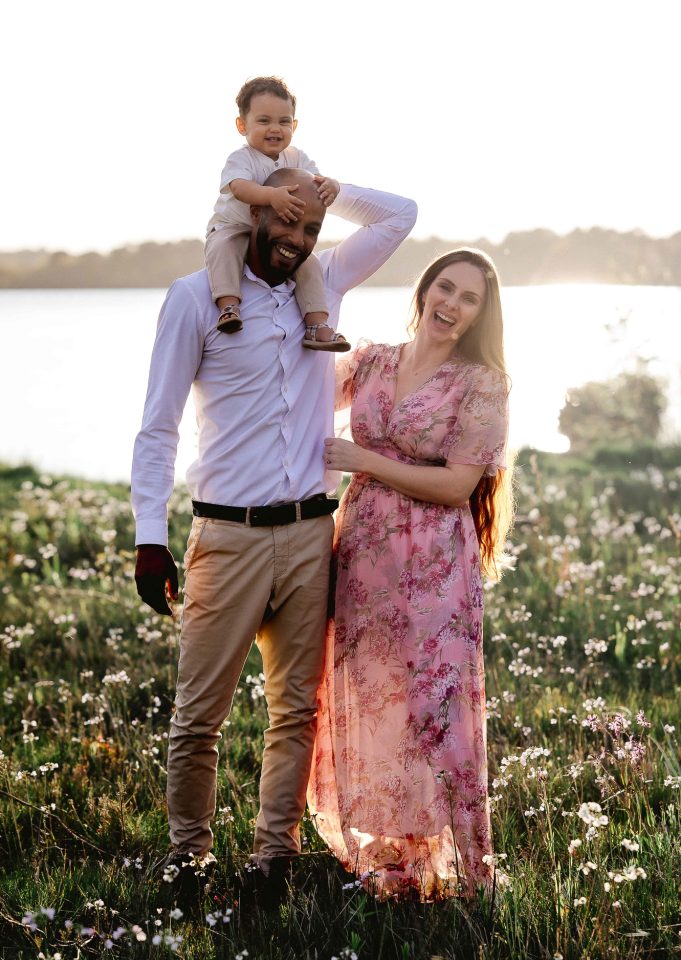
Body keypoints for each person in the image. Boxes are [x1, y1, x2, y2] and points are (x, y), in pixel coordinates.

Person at [132, 168, 417, 906]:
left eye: (308, 229)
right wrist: (147, 536)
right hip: (224, 537)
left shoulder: (324, 293)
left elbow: (398, 214)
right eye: (282, 222)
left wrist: (320, 188)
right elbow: (158, 426)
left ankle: (272, 862)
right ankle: (189, 863)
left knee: (295, 711)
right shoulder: (197, 297)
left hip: (307, 537)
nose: (294, 239)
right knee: (198, 717)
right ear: (250, 213)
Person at [308, 248, 513, 901]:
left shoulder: (480, 383)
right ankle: (396, 858)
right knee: (378, 704)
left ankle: (474, 871)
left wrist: (360, 457)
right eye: (444, 287)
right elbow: (297, 392)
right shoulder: (371, 359)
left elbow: (457, 485)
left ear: (481, 314)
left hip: (434, 570)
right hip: (363, 561)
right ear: (425, 288)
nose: (450, 304)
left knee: (437, 713)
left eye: (468, 298)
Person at [206, 75, 349, 350]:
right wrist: (271, 196)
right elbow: (239, 187)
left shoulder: (296, 157)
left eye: (284, 121)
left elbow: (315, 179)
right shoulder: (242, 158)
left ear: (294, 125)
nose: (275, 128)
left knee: (309, 264)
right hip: (235, 227)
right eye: (264, 121)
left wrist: (332, 185)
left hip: (275, 236)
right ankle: (228, 306)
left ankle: (317, 324)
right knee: (222, 248)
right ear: (242, 125)